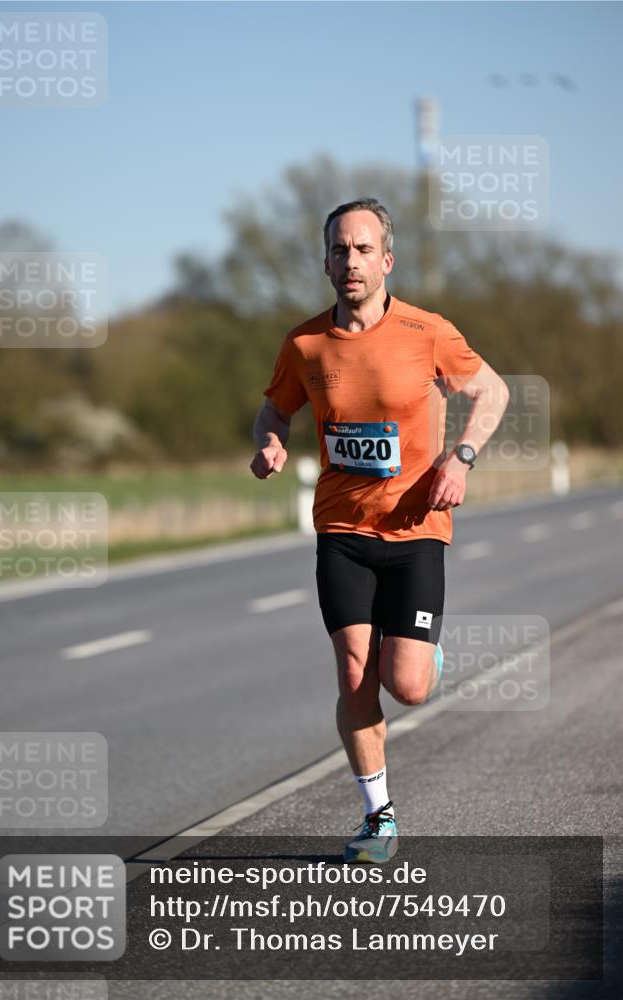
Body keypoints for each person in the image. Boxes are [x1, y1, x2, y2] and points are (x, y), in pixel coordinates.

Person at [250, 198, 509, 863]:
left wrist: (462, 457)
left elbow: (493, 392)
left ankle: (421, 656)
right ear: (326, 261)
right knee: (352, 672)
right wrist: (271, 443)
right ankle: (378, 816)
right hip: (341, 527)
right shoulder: (305, 343)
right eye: (339, 249)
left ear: (386, 260)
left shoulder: (428, 332)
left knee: (410, 685)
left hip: (418, 526)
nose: (350, 261)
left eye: (363, 249)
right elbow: (272, 411)